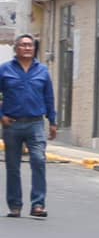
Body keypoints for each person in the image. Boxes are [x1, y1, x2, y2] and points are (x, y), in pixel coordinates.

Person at [1, 33, 57, 219]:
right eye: (23, 45)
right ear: (16, 49)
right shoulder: (5, 70)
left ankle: (38, 204)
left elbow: (49, 97)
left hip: (35, 124)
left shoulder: (42, 71)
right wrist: (1, 116)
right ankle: (15, 205)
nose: (27, 48)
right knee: (12, 166)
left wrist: (53, 121)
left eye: (30, 45)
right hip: (12, 124)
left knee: (39, 161)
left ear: (34, 49)